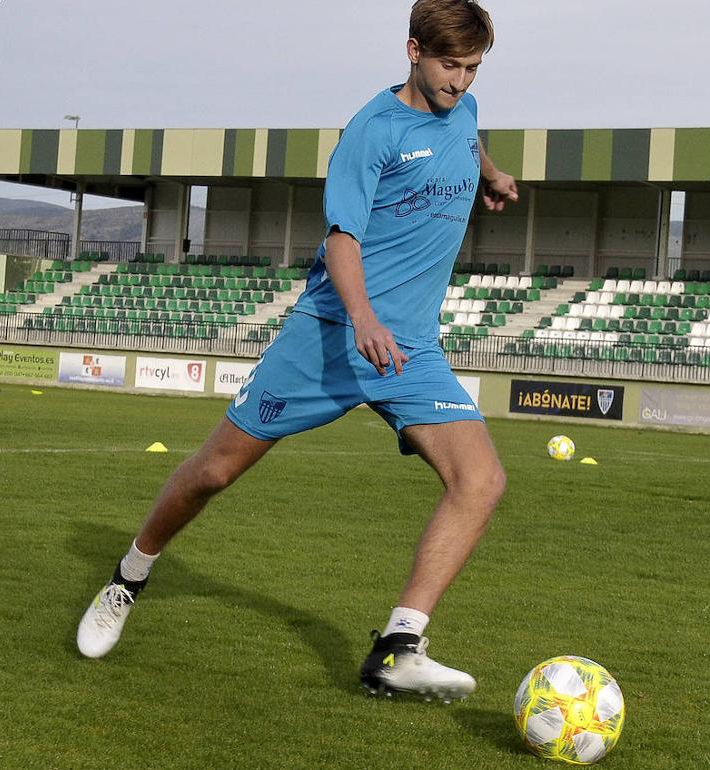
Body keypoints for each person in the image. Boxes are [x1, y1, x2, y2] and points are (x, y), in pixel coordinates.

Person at [76, 0, 517, 703]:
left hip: (412, 352)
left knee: (482, 481)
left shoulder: (462, 108)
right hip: (330, 336)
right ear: (412, 50)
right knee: (214, 472)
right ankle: (129, 575)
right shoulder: (371, 132)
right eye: (448, 66)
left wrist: (490, 173)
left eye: (472, 69)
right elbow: (342, 236)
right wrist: (363, 316)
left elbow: (467, 135)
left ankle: (399, 647)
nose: (461, 82)